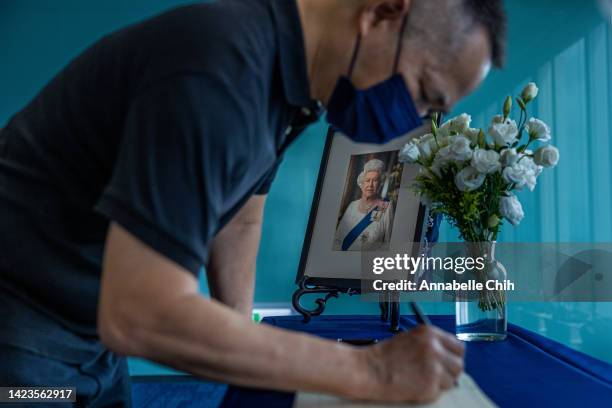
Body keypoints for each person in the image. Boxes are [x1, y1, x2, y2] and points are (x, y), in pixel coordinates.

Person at [0, 0, 506, 405]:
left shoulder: (290, 84)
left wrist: (241, 339)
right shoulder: (219, 69)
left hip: (92, 336)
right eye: (423, 93)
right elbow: (139, 313)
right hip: (22, 332)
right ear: (381, 12)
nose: (410, 118)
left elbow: (242, 215)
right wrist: (370, 370)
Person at [334, 159, 394, 251]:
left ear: (380, 184)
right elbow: (337, 239)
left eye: (375, 181)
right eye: (367, 180)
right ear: (362, 183)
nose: (370, 184)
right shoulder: (352, 206)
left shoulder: (386, 207)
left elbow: (389, 245)